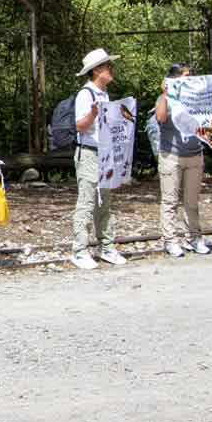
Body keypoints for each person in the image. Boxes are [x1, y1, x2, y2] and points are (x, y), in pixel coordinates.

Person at [71, 49, 127, 270]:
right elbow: (79, 126)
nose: (111, 70)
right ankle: (79, 250)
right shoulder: (86, 94)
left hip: (105, 154)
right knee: (86, 201)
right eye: (106, 66)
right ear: (96, 70)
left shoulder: (104, 94)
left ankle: (106, 246)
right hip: (88, 153)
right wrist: (93, 114)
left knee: (105, 201)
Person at [154, 64, 211, 258]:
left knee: (192, 201)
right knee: (170, 201)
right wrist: (164, 94)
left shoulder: (195, 98)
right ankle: (170, 240)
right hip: (172, 155)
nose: (190, 79)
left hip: (194, 154)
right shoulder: (166, 98)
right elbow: (160, 118)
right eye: (186, 76)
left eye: (191, 76)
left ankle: (194, 237)